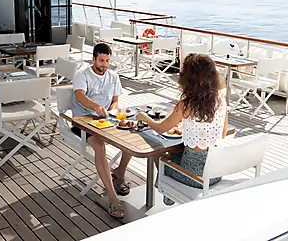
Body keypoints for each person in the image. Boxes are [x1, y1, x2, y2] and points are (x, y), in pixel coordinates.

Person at [137, 53, 228, 205]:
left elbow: (160, 128)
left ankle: (169, 193)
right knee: (174, 152)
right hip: (215, 171)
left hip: (194, 176)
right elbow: (222, 133)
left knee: (157, 154)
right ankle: (171, 193)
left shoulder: (186, 105)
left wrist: (144, 117)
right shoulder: (221, 100)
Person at [72, 43, 132, 219]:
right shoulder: (82, 74)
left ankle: (119, 172)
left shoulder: (113, 76)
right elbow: (79, 96)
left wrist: (113, 110)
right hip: (83, 121)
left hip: (106, 120)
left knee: (131, 135)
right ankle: (113, 198)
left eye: (107, 61)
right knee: (100, 147)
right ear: (93, 58)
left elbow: (115, 100)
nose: (104, 64)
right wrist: (96, 106)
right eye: (101, 60)